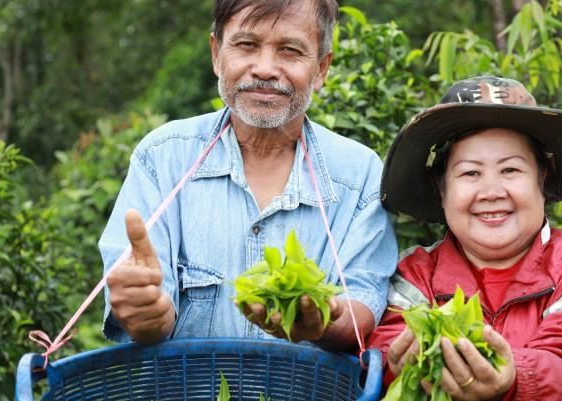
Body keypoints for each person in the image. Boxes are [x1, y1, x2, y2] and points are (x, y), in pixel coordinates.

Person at [99, 0, 397, 351]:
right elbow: (147, 319)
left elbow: (359, 317)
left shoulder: (359, 175)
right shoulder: (163, 159)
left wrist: (322, 321)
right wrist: (147, 313)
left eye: (290, 50)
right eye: (246, 45)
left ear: (321, 69)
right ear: (216, 54)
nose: (266, 69)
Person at [368, 76, 562, 400]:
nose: (491, 192)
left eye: (510, 170)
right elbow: (380, 345)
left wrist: (517, 377)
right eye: (470, 173)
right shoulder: (413, 275)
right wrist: (397, 364)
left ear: (541, 178)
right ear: (441, 188)